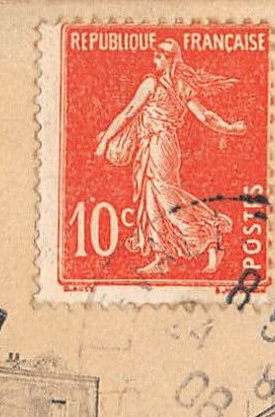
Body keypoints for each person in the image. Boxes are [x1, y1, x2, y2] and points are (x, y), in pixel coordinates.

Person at [94, 39, 248, 275]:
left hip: (159, 145)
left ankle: (210, 237)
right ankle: (161, 257)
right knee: (152, 200)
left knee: (167, 200)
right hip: (159, 145)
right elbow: (206, 116)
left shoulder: (151, 84)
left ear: (168, 59)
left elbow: (128, 113)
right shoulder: (181, 86)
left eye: (158, 56)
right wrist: (229, 128)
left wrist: (105, 141)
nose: (154, 60)